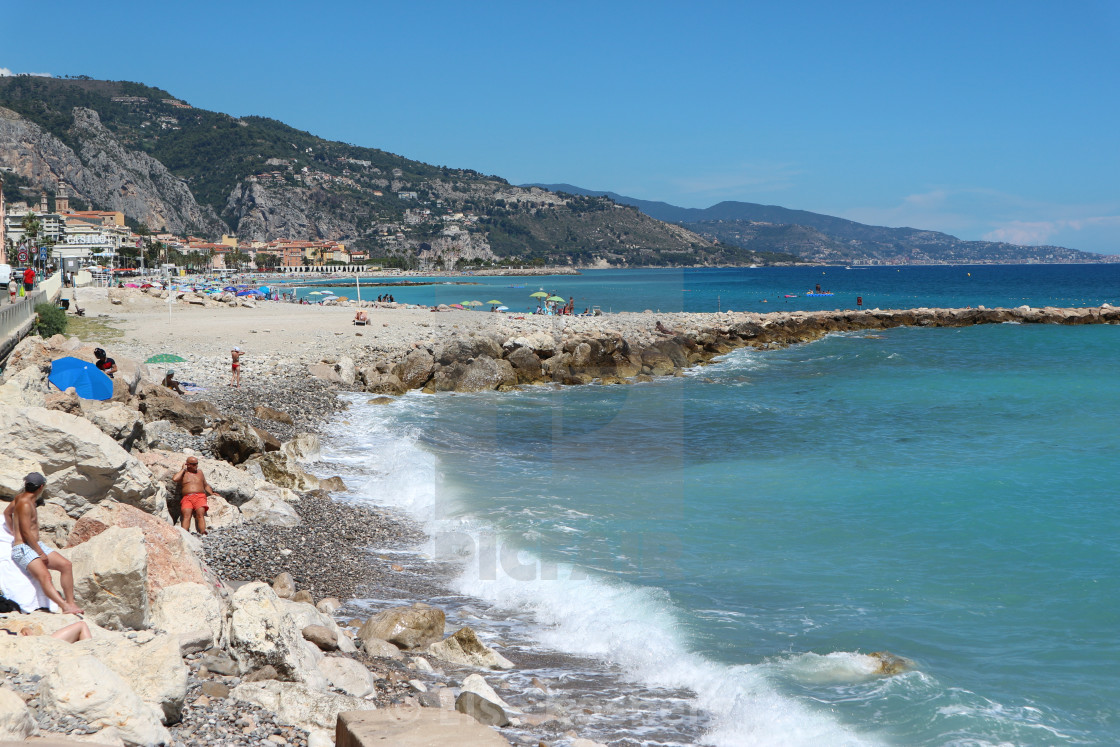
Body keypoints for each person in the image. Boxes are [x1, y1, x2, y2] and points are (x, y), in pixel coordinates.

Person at [3, 473, 83, 615]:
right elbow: (27, 533)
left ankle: (71, 602)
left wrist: (12, 530)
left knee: (66, 565)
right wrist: (40, 552)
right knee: (45, 576)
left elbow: (7, 513)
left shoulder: (21, 498)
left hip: (33, 544)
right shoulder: (26, 504)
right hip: (23, 548)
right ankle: (65, 606)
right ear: (41, 487)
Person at [173, 456, 221, 535]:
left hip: (200, 496)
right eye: (194, 464)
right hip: (187, 498)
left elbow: (205, 485)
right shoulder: (184, 473)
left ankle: (203, 532)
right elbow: (175, 479)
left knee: (200, 514)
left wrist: (211, 493)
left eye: (197, 464)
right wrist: (183, 469)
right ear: (188, 464)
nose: (196, 466)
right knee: (186, 515)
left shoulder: (200, 472)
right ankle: (184, 534)